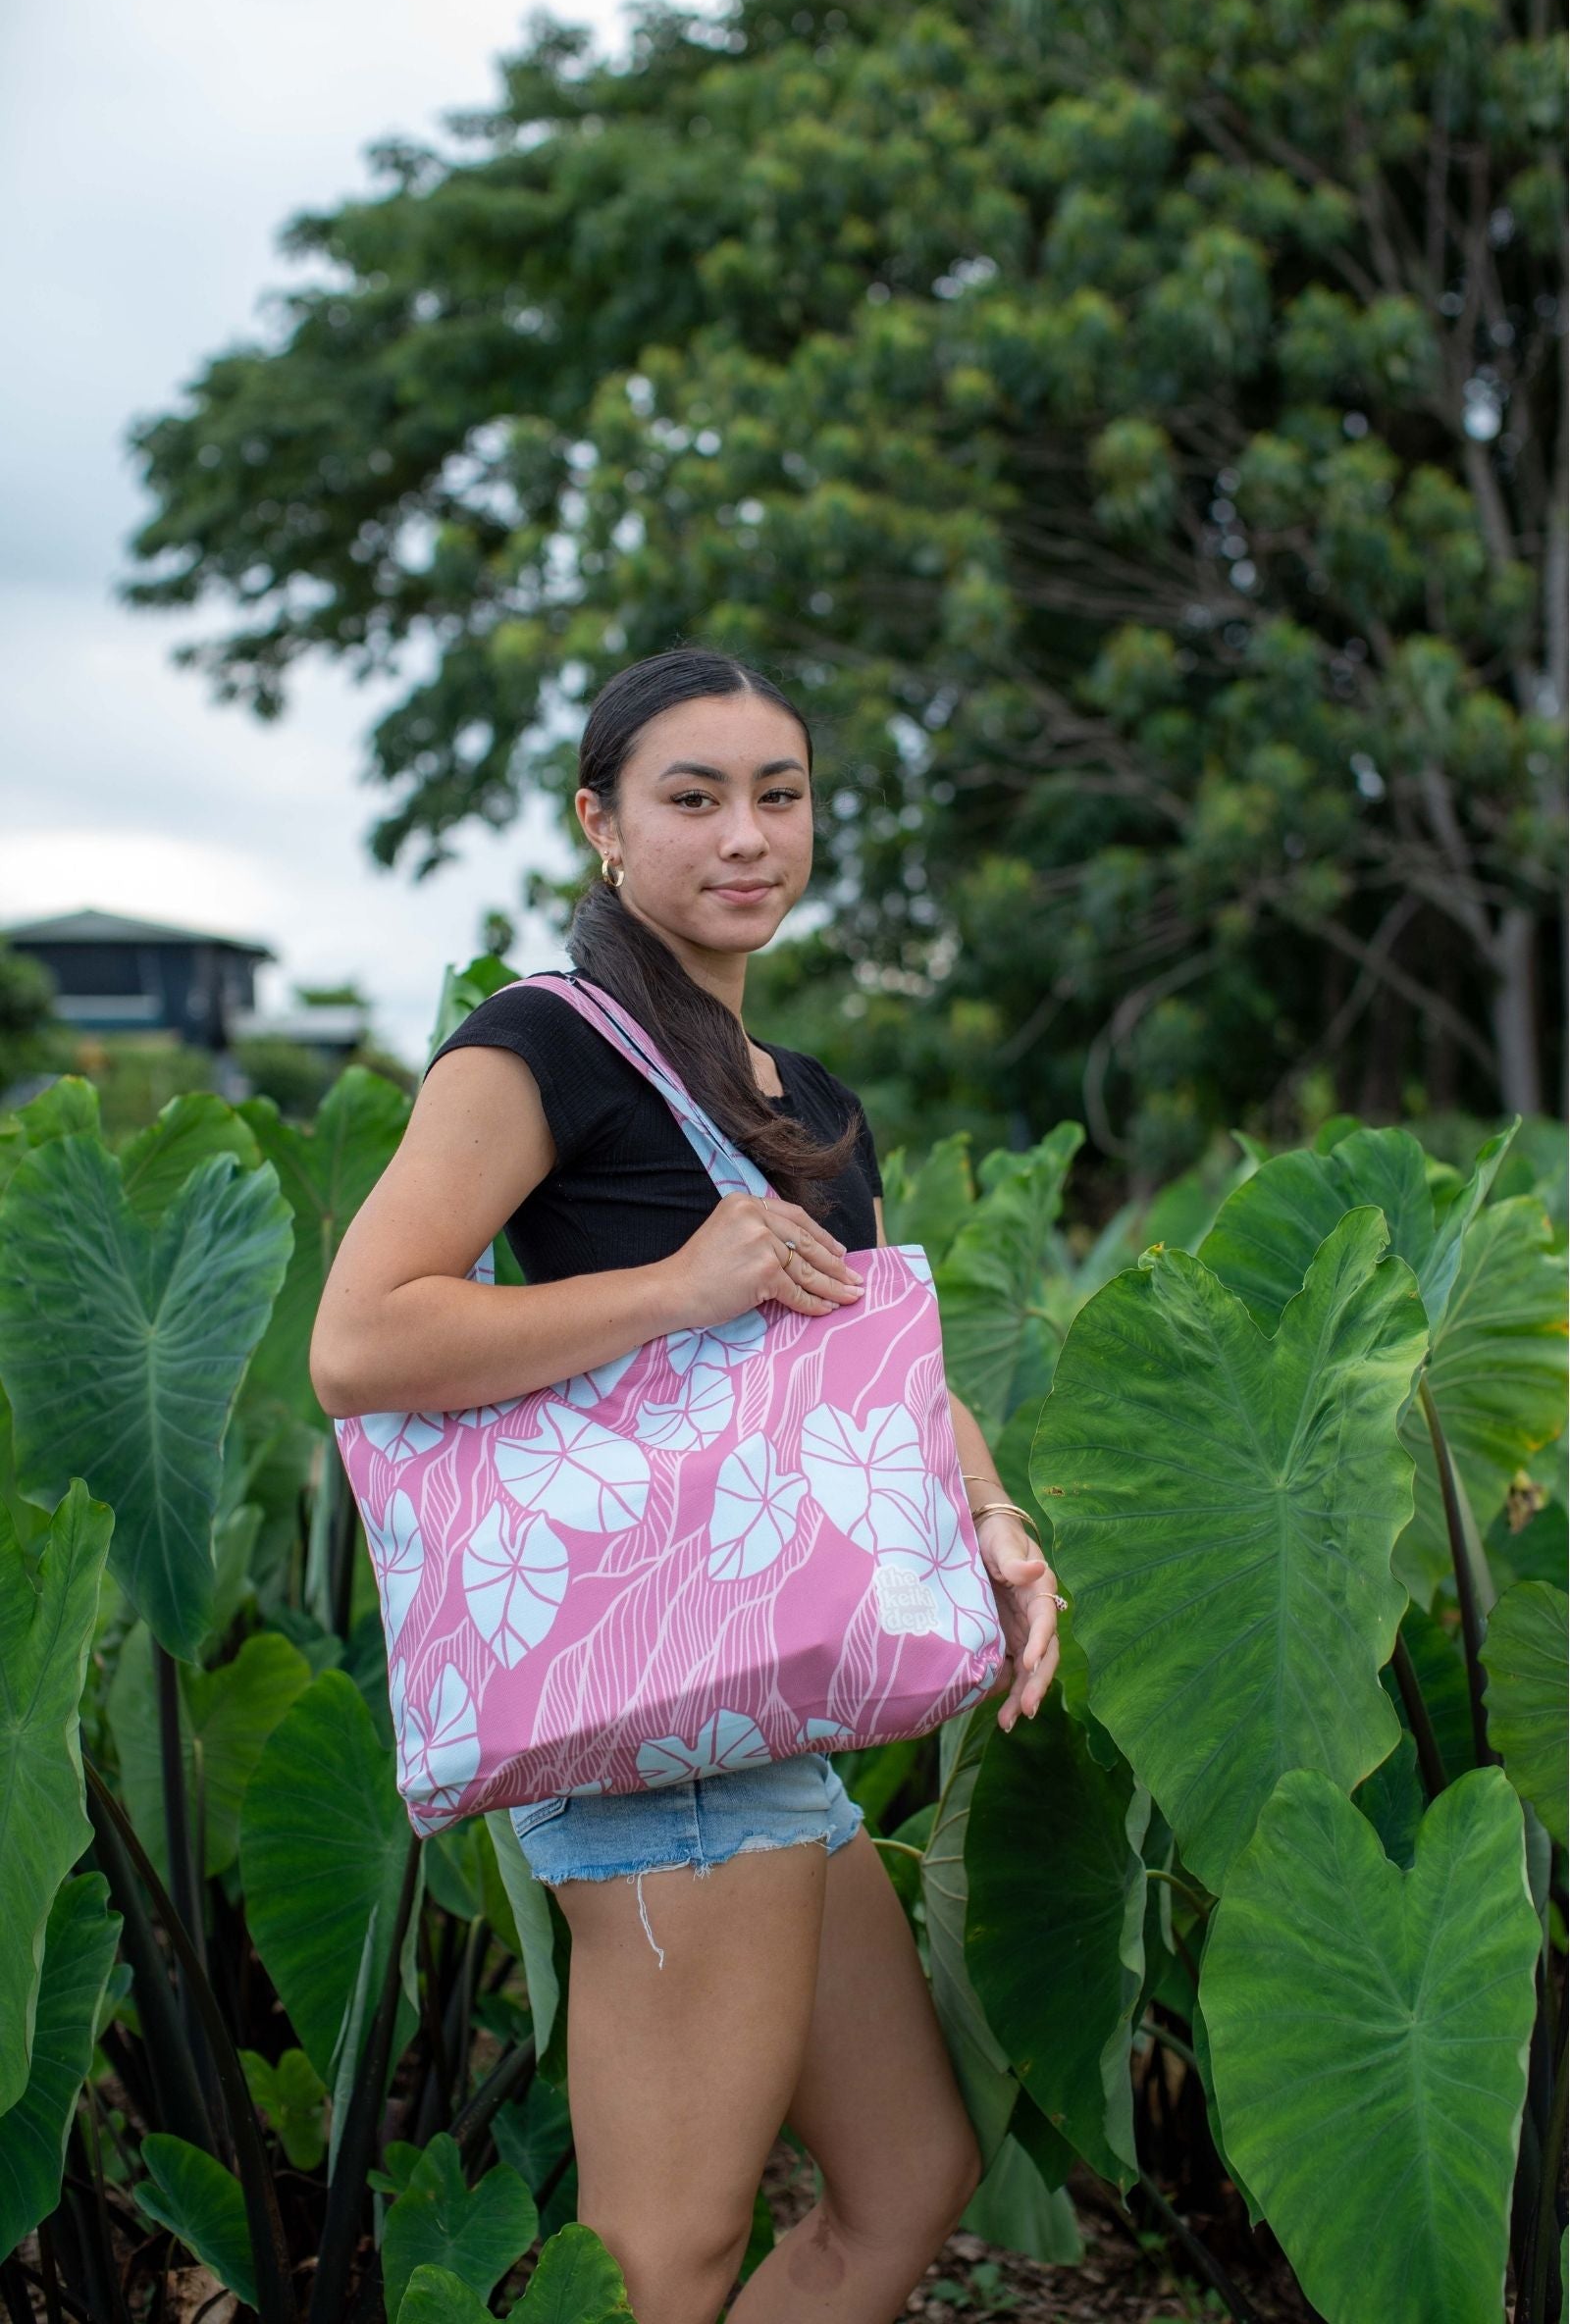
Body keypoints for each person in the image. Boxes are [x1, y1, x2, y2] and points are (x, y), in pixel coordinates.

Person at [310, 646, 1063, 2324]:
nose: (746, 836)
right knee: (667, 2259)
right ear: (602, 825)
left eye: (778, 796)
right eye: (693, 797)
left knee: (905, 2180)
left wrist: (996, 1522)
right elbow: (360, 1340)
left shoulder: (808, 1103)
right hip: (659, 1735)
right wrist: (676, 1287)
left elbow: (879, 1372)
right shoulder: (541, 1046)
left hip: (765, 1729)